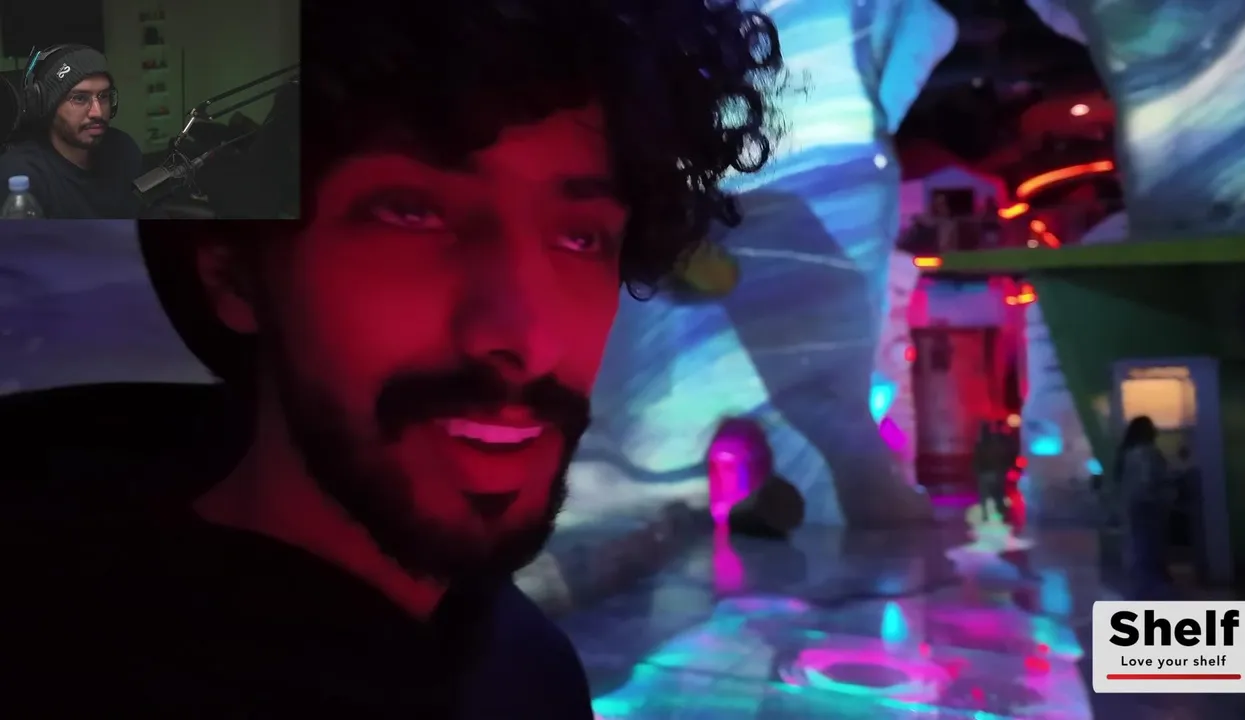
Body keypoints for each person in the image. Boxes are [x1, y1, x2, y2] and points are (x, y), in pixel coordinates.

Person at [0, 1, 784, 718]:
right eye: (410, 213)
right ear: (231, 273)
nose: (526, 336)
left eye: (581, 236)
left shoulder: (528, 669)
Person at [0, 44, 142, 218]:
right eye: (80, 98)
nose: (97, 112)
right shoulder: (19, 174)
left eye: (103, 96)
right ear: (46, 106)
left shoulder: (123, 149)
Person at [1114, 415, 1175, 598]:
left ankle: (1142, 585)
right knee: (1153, 544)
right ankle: (1155, 585)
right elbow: (1147, 480)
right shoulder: (1148, 453)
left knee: (1139, 543)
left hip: (1134, 505)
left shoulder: (1127, 453)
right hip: (1150, 505)